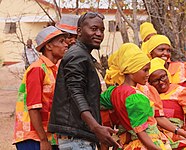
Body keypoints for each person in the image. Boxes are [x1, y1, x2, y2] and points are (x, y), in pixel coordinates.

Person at [48, 12, 119, 149]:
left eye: (102, 30)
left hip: (80, 138)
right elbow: (76, 93)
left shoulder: (83, 55)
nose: (99, 34)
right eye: (93, 29)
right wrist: (95, 127)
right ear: (79, 31)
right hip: (77, 140)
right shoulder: (77, 55)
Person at [102, 43, 173, 150]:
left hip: (126, 144)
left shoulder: (112, 92)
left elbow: (100, 106)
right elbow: (141, 132)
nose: (148, 74)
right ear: (131, 71)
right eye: (145, 70)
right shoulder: (135, 97)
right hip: (146, 144)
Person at [13, 26, 68, 150]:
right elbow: (33, 107)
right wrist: (43, 139)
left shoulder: (54, 69)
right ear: (48, 46)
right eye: (61, 41)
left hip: (46, 135)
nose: (66, 45)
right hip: (33, 136)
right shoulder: (37, 69)